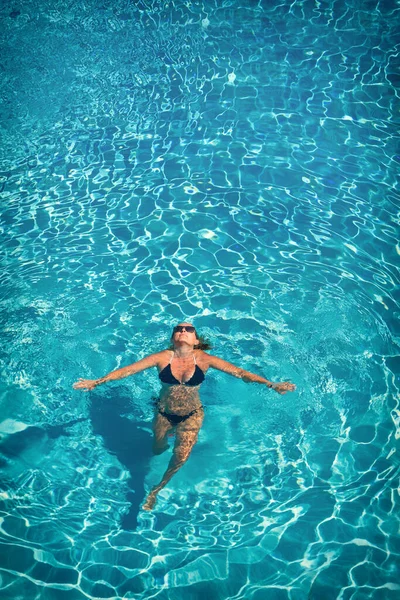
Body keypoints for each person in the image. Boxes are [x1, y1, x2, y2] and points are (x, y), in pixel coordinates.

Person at [73, 322, 296, 510]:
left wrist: (271, 384)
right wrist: (97, 382)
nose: (183, 331)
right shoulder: (162, 357)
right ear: (172, 338)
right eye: (178, 329)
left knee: (181, 456)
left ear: (196, 340)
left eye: (189, 329)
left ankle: (156, 489)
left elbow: (239, 372)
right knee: (157, 448)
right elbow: (129, 370)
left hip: (192, 415)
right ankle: (162, 443)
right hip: (163, 413)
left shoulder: (205, 359)